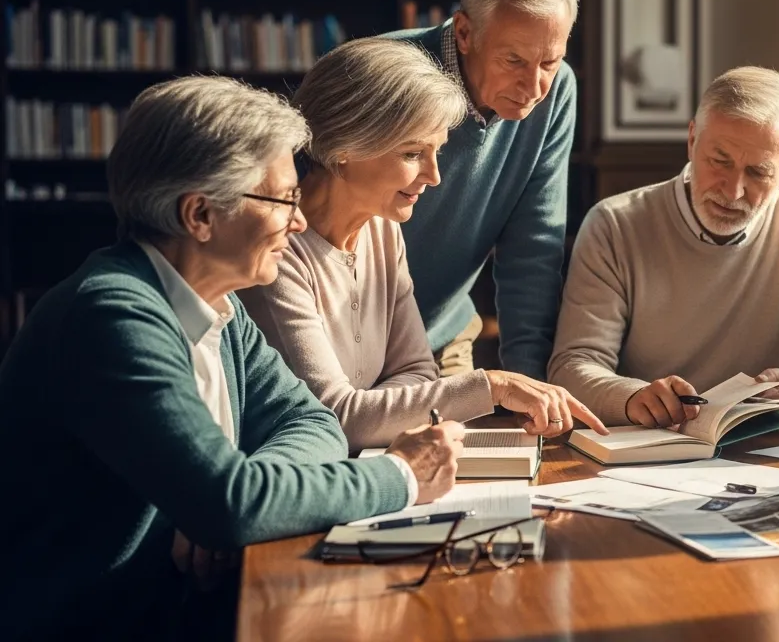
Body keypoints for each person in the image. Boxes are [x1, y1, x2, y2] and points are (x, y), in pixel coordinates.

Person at [0, 77, 469, 638]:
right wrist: (402, 475)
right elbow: (233, 503)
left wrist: (235, 501)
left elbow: (313, 421)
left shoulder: (217, 302)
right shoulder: (112, 315)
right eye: (284, 200)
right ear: (199, 215)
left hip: (182, 605)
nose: (298, 222)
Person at [240, 39, 606, 454]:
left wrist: (376, 408)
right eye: (413, 153)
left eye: (437, 152)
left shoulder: (381, 229)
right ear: (344, 149)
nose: (433, 176)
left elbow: (418, 370)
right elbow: (333, 417)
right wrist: (489, 385)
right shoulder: (275, 252)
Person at [549, 66, 779, 427]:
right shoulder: (614, 224)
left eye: (758, 172)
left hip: (764, 448)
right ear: (692, 140)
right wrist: (631, 397)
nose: (732, 190)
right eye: (719, 161)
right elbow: (571, 367)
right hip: (643, 445)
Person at [382, 0, 578, 380]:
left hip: (441, 335)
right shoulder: (384, 73)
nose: (534, 87)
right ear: (465, 33)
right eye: (514, 60)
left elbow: (534, 244)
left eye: (551, 60)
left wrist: (529, 379)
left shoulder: (557, 91)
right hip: (351, 335)